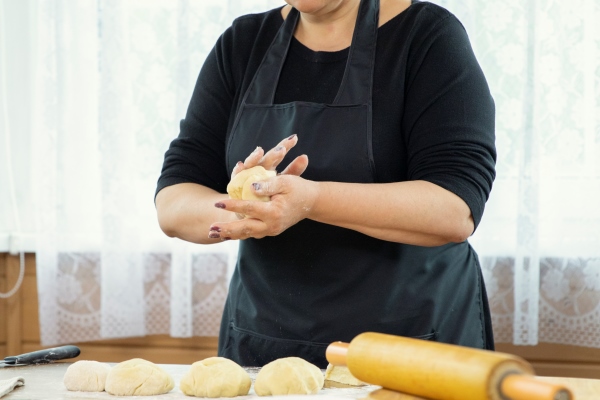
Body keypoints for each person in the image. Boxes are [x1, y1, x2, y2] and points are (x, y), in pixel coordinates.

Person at [155, 0, 496, 368]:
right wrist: (249, 208)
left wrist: (311, 200)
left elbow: (454, 208)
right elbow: (174, 200)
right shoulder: (244, 42)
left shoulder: (427, 36)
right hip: (265, 349)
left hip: (409, 347)